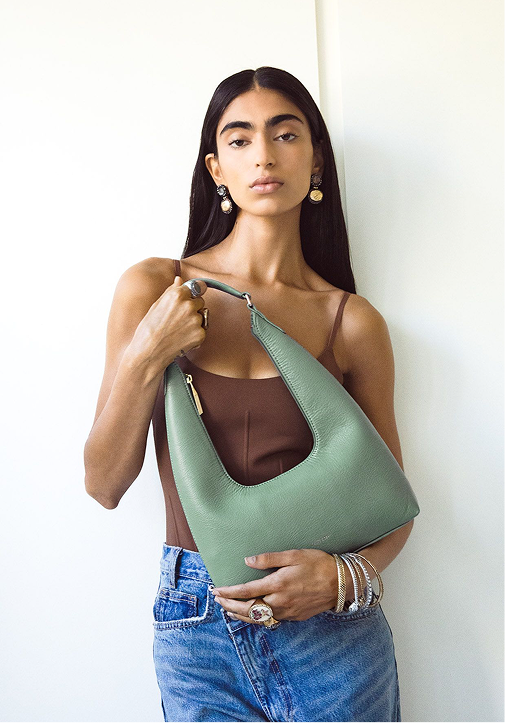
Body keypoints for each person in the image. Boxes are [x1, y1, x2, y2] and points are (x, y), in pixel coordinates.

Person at [84, 66, 414, 722]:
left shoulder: (349, 321)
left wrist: (340, 579)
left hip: (331, 630)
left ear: (315, 160)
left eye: (285, 134)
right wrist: (148, 352)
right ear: (216, 168)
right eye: (239, 140)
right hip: (196, 626)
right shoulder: (154, 288)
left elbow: (391, 504)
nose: (263, 154)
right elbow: (104, 483)